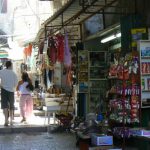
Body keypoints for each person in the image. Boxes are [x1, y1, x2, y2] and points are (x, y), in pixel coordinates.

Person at [0, 60, 18, 126]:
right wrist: (12, 86)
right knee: (11, 106)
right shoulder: (14, 73)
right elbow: (16, 83)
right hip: (11, 91)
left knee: (5, 106)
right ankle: (11, 121)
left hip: (3, 90)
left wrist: (1, 84)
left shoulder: (1, 72)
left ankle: (6, 121)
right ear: (10, 65)